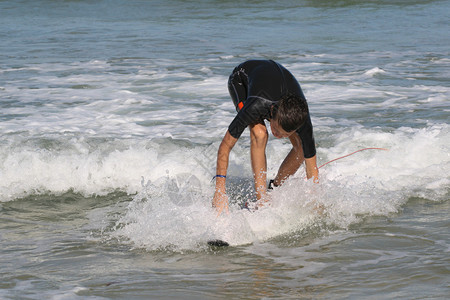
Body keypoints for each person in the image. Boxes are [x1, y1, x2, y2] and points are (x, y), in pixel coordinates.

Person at [212, 59, 318, 215]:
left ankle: (274, 188)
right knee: (260, 133)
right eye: (277, 129)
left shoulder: (303, 121)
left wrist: (315, 201)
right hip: (242, 81)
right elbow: (225, 146)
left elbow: (312, 169)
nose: (279, 136)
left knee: (302, 146)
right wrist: (219, 192)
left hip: (277, 82)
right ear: (272, 114)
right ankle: (261, 199)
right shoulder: (256, 105)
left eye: (285, 135)